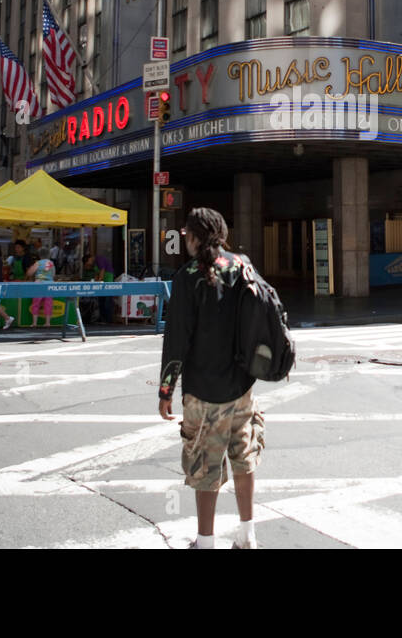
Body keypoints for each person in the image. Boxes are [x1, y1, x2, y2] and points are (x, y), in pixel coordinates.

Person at [158, 208, 265, 550]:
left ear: (192, 236)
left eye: (186, 233)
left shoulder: (188, 276)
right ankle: (248, 537)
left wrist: (166, 390)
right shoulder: (242, 265)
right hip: (243, 385)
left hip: (204, 390)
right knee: (243, 455)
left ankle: (205, 543)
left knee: (205, 464)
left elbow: (176, 340)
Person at [26, 247, 57, 326]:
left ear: (39, 255)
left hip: (39, 284)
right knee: (48, 303)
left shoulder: (38, 263)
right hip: (49, 285)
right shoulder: (51, 263)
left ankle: (34, 323)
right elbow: (53, 275)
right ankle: (47, 322)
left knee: (36, 303)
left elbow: (29, 273)